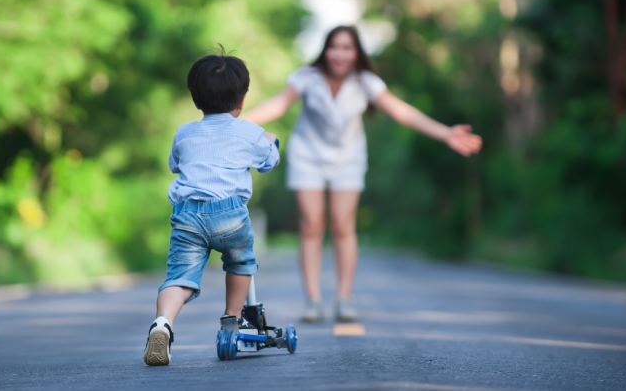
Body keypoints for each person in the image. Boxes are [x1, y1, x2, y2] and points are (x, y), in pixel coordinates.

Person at [242, 26, 482, 322]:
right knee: (312, 225)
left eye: (347, 48)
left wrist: (446, 133)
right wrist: (233, 123)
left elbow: (402, 112)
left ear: (357, 54)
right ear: (325, 50)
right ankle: (313, 301)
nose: (340, 54)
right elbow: (276, 106)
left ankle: (344, 299)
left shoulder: (366, 82)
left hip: (348, 159)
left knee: (343, 225)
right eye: (334, 47)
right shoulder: (307, 77)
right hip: (307, 156)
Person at [144, 51, 281, 366]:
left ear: (196, 100)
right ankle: (231, 323)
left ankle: (162, 323)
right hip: (229, 215)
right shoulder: (249, 132)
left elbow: (175, 164)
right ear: (242, 100)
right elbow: (269, 163)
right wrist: (271, 141)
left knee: (179, 278)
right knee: (240, 262)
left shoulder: (184, 132)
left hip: (187, 216)